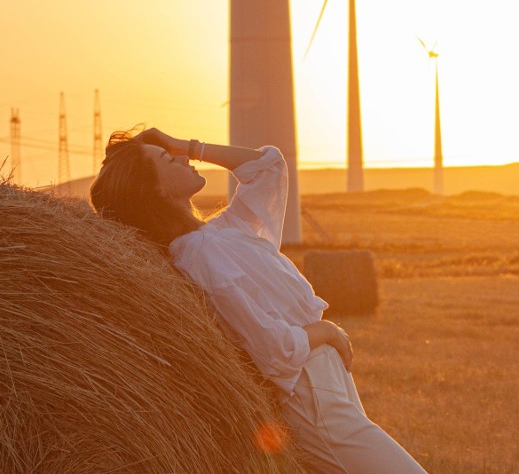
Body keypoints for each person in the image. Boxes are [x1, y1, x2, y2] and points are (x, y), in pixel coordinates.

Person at [90, 127, 427, 474]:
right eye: (167, 158)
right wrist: (324, 331)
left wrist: (188, 145)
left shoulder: (223, 232)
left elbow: (269, 166)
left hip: (324, 382)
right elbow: (271, 348)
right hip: (309, 392)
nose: (182, 158)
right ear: (157, 191)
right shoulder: (198, 254)